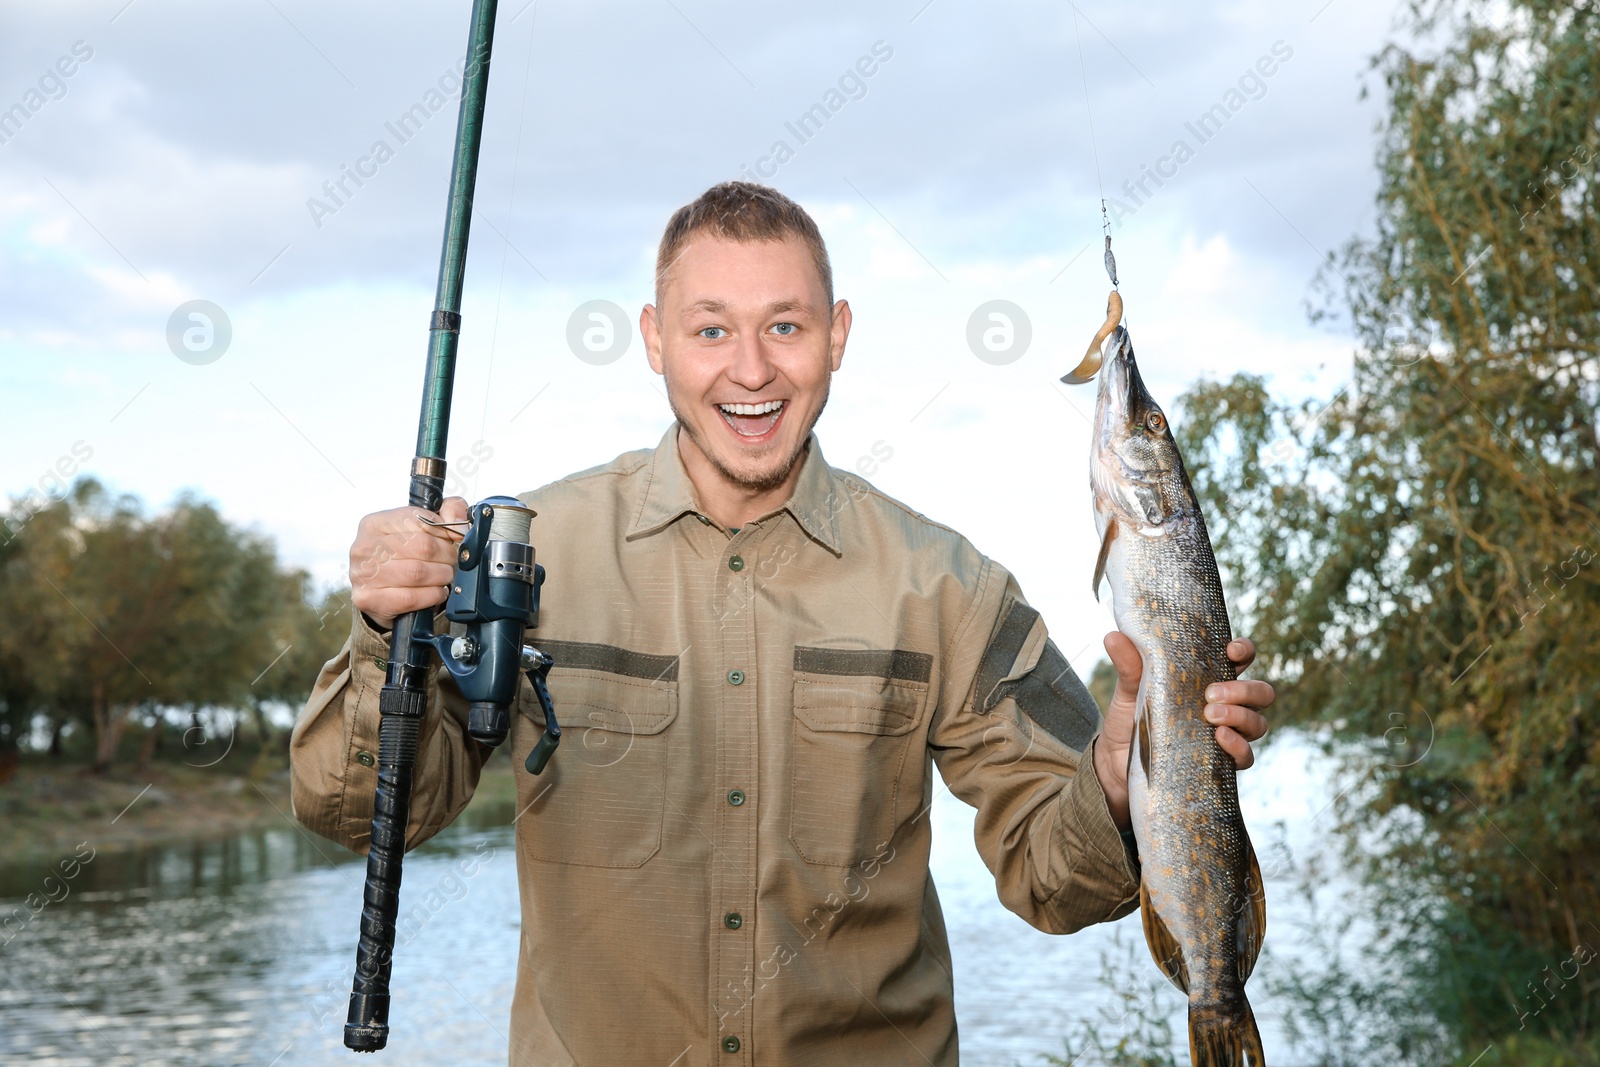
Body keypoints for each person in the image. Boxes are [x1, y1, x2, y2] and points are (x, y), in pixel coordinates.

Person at [291, 181, 1272, 1066]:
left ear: (837, 335)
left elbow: (1057, 884)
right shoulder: (522, 556)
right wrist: (389, 632)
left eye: (786, 327)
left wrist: (1111, 777)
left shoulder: (948, 584)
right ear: (653, 338)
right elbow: (356, 813)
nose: (750, 370)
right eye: (710, 329)